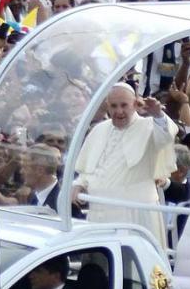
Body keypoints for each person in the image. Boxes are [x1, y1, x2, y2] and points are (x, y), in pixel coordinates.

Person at [73, 83, 177, 247]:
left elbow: (166, 136)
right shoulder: (99, 129)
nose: (119, 111)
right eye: (114, 106)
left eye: (124, 105)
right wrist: (79, 185)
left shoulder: (149, 125)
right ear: (107, 106)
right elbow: (89, 169)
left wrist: (158, 114)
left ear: (135, 104)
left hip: (136, 215)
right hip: (99, 213)